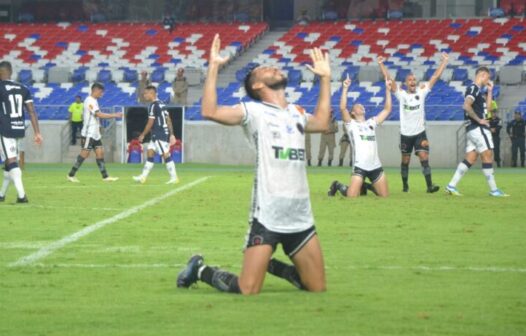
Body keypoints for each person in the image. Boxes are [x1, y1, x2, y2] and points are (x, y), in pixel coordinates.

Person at [177, 34, 331, 295]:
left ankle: (271, 265)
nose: (274, 67)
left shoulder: (296, 113)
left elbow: (322, 123)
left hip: (299, 214)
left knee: (316, 287)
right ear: (258, 85)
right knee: (248, 289)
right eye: (265, 69)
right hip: (268, 213)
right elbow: (210, 111)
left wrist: (326, 79)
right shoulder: (253, 111)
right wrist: (213, 67)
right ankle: (200, 270)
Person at [378, 53, 448, 193]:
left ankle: (429, 186)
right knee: (405, 161)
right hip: (405, 134)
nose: (412, 81)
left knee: (424, 157)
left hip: (420, 133)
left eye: (414, 79)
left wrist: (444, 62)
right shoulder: (401, 94)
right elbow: (390, 80)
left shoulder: (422, 92)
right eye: (410, 80)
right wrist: (381, 64)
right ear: (405, 83)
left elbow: (435, 77)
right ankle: (405, 186)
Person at [445, 67, 508, 197]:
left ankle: (451, 186)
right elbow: (466, 106)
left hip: (472, 130)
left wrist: (490, 91)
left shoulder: (479, 91)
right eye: (488, 77)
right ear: (482, 75)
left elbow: (489, 109)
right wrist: (479, 120)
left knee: (471, 158)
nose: (488, 80)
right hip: (478, 128)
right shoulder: (473, 88)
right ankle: (494, 190)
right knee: (488, 154)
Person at [328, 75, 392, 198]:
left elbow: (387, 109)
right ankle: (337, 185)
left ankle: (365, 185)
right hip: (360, 165)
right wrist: (345, 88)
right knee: (352, 196)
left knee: (384, 196)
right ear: (353, 112)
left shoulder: (371, 122)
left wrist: (388, 90)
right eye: (358, 105)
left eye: (362, 105)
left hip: (375, 165)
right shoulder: (351, 125)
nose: (361, 106)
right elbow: (342, 108)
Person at [0, 61, 43, 203]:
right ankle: (1, 194)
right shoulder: (23, 88)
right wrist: (37, 132)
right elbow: (31, 111)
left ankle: (22, 196)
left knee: (12, 161)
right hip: (18, 128)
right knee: (9, 161)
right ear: (11, 72)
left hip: (4, 129)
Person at [66, 82, 122, 183]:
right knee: (84, 154)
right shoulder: (89, 101)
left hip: (95, 133)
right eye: (101, 92)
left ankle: (105, 177)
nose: (102, 94)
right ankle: (71, 175)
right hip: (89, 133)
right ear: (95, 90)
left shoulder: (94, 100)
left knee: (100, 153)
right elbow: (98, 114)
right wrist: (114, 115)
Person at [133, 85, 179, 184]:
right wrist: (171, 134)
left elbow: (150, 122)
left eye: (146, 93)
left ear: (151, 93)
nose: (144, 95)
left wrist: (143, 134)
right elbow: (168, 120)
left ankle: (174, 177)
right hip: (159, 133)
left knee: (165, 154)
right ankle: (143, 177)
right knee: (150, 152)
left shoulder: (153, 105)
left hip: (159, 133)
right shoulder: (162, 104)